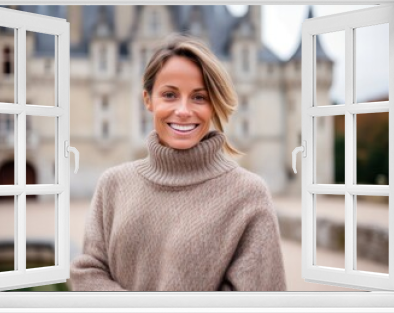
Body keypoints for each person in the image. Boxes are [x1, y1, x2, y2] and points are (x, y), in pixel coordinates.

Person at [70, 34, 286, 291]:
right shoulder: (113, 184)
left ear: (214, 105)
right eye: (170, 95)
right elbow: (88, 271)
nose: (183, 110)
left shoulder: (248, 194)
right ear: (148, 100)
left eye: (199, 97)